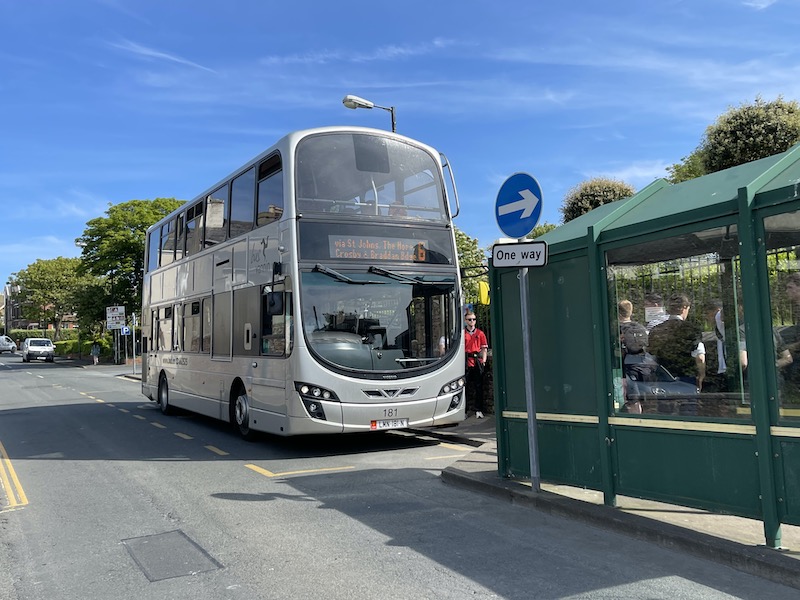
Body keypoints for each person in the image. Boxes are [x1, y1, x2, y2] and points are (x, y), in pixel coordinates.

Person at [648, 293, 706, 390]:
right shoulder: (692, 330)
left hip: (664, 378)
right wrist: (701, 375)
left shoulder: (656, 330)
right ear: (684, 308)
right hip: (686, 378)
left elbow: (651, 357)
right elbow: (700, 357)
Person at [464, 310, 488, 418]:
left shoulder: (480, 333)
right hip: (466, 361)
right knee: (465, 387)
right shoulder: (462, 333)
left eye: (474, 319)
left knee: (478, 386)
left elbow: (484, 349)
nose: (472, 321)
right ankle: (464, 410)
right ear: (466, 321)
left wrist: (484, 361)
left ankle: (478, 409)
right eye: (470, 319)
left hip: (477, 361)